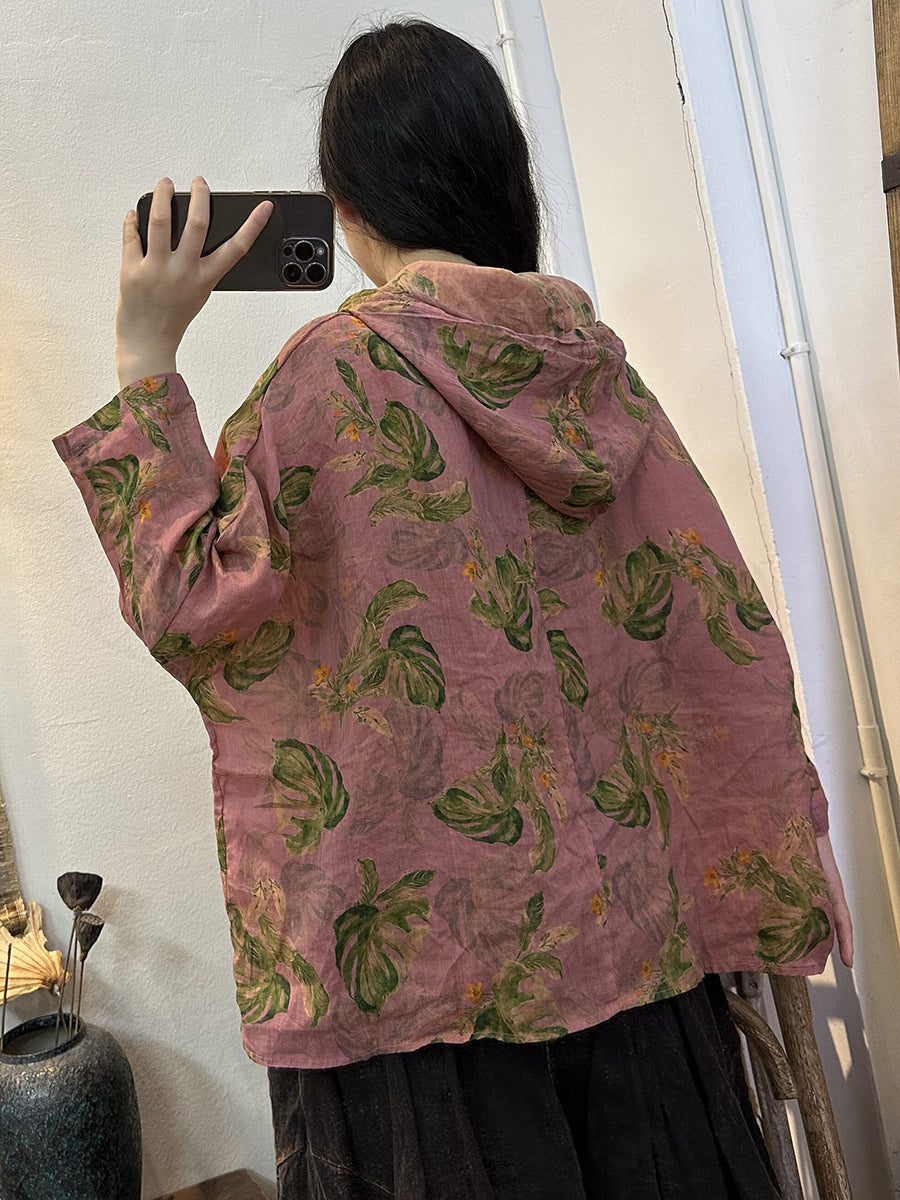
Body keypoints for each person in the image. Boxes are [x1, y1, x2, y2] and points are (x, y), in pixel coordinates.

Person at [53, 18, 853, 1200]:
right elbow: (712, 624)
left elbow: (192, 604)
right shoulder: (597, 373)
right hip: (642, 957)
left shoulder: (336, 377)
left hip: (427, 994)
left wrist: (144, 355)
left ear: (347, 209)